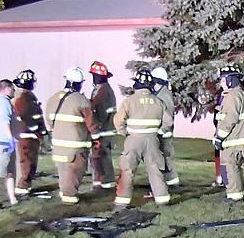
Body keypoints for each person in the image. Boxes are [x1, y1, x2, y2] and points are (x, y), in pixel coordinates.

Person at [113, 68, 172, 211]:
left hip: (133, 139)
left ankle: (122, 202)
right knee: (155, 168)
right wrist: (158, 131)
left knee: (128, 170)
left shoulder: (129, 101)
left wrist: (124, 131)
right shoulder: (158, 101)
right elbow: (168, 121)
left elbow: (118, 120)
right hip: (152, 140)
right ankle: (162, 200)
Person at [47, 67, 100, 204]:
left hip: (58, 145)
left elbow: (49, 121)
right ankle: (69, 200)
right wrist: (95, 137)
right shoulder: (81, 101)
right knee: (73, 173)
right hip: (75, 147)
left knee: (63, 172)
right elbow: (91, 123)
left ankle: (64, 193)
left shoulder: (53, 98)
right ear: (79, 83)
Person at [213, 70, 244, 203]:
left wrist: (219, 137)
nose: (221, 83)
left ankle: (234, 197)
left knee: (231, 168)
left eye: (224, 80)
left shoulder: (233, 96)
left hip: (233, 141)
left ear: (231, 81)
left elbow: (229, 120)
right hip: (236, 141)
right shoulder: (236, 95)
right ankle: (238, 194)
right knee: (234, 168)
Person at [11, 69, 46, 196]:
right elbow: (30, 118)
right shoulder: (24, 98)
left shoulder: (20, 97)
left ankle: (22, 185)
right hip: (27, 137)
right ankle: (22, 187)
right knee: (26, 163)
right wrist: (38, 132)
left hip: (25, 136)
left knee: (25, 162)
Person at [88, 61, 118, 190]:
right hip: (105, 131)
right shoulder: (103, 90)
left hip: (103, 132)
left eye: (95, 75)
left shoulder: (103, 91)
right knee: (99, 157)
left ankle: (105, 182)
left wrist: (93, 128)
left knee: (101, 157)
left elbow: (99, 111)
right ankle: (101, 181)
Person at [152, 66, 181, 188]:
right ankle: (171, 183)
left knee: (165, 159)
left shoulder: (164, 95)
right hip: (162, 132)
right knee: (164, 159)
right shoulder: (161, 93)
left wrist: (160, 130)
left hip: (164, 134)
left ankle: (171, 184)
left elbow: (168, 118)